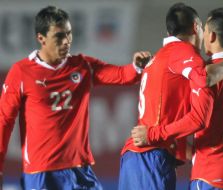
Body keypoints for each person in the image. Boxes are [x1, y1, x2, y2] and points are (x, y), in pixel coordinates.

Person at [0, 6, 152, 190]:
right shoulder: (22, 72)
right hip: (41, 172)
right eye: (59, 36)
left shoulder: (82, 66)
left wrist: (136, 67)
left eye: (69, 34)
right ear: (41, 38)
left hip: (78, 168)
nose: (66, 41)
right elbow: (4, 121)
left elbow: (120, 75)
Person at [119, 3, 223, 190]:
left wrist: (153, 134)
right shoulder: (187, 56)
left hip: (199, 170)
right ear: (195, 28)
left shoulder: (170, 58)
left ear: (211, 35)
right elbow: (204, 82)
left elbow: (198, 117)